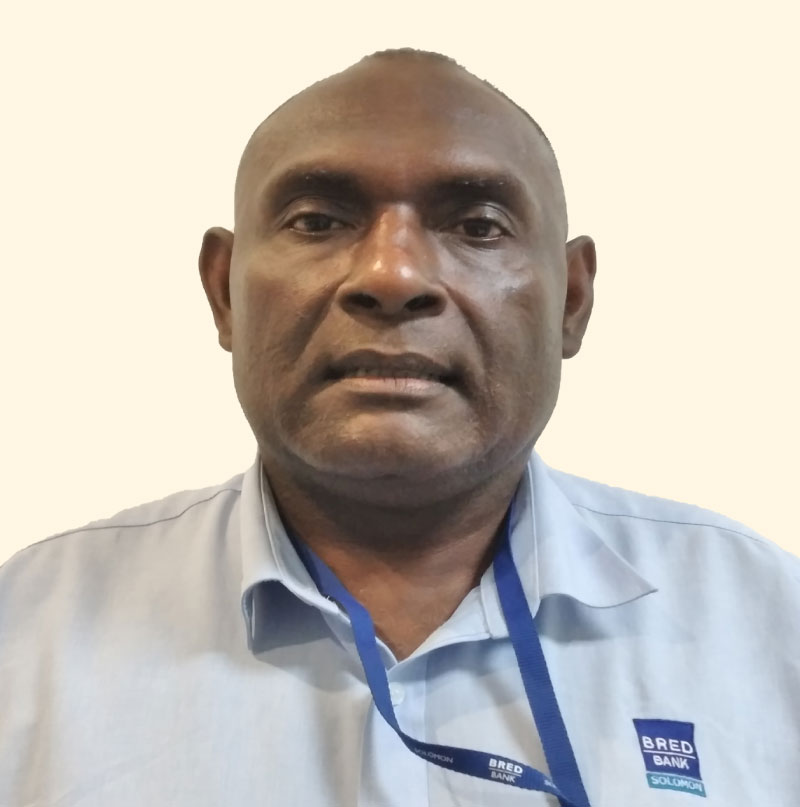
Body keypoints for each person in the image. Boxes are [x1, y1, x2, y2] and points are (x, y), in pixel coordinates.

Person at [1, 48, 797, 807]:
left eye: (478, 226)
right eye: (318, 220)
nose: (393, 274)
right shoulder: (26, 635)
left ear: (572, 300)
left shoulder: (769, 624)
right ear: (224, 293)